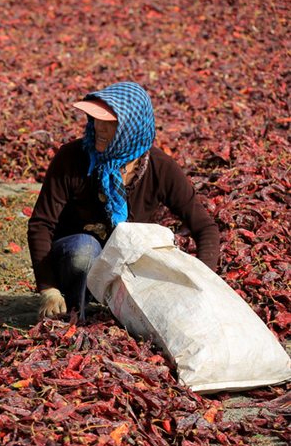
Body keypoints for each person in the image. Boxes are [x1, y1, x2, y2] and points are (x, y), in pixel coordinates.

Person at [28, 81, 220, 319]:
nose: (98, 127)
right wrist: (48, 289)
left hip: (125, 271)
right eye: (96, 119)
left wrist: (203, 283)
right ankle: (77, 311)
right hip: (73, 267)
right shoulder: (71, 159)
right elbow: (41, 225)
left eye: (110, 123)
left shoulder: (160, 168)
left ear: (131, 128)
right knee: (84, 250)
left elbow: (205, 228)